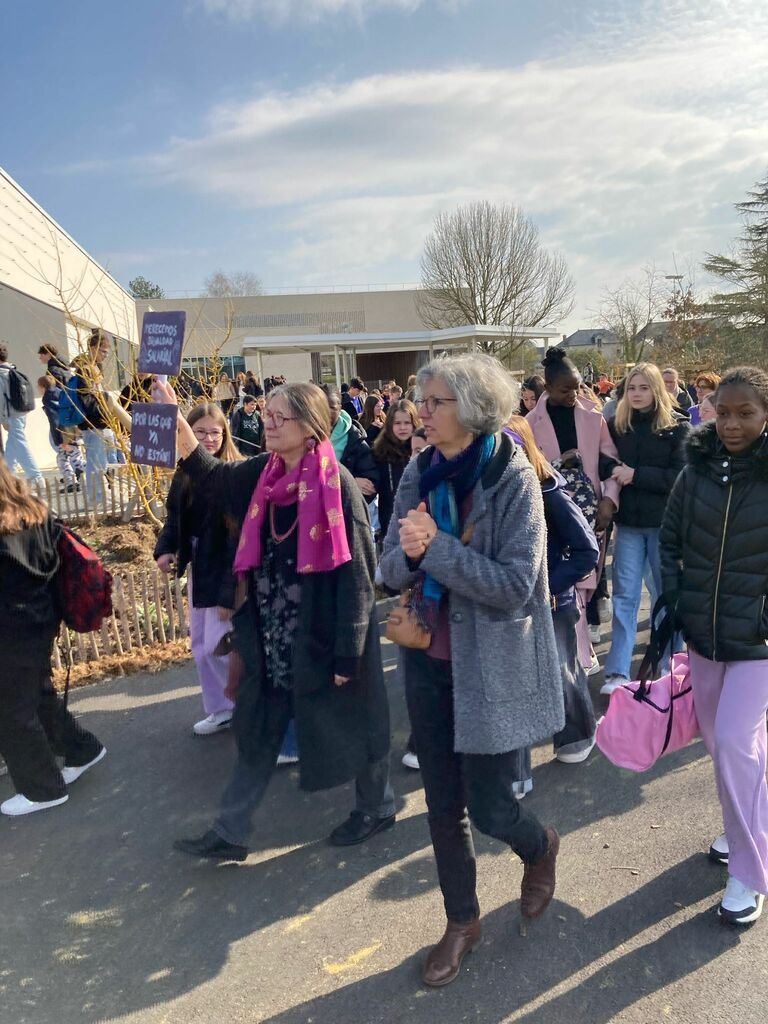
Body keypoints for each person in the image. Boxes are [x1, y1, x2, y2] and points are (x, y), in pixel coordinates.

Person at [150, 379, 395, 859]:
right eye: (267, 414)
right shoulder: (264, 473)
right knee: (259, 727)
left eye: (280, 417)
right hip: (271, 631)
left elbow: (359, 579)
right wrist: (177, 421)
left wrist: (349, 651)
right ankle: (231, 830)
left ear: (310, 427)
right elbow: (212, 476)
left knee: (356, 719)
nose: (269, 423)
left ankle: (378, 807)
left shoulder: (338, 486)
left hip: (322, 633)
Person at [380, 353, 564, 988]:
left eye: (436, 402)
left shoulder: (512, 477)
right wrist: (411, 556)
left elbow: (515, 585)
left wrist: (436, 549)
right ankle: (462, 921)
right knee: (441, 805)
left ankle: (539, 846)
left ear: (475, 408)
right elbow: (389, 566)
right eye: (421, 401)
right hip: (427, 660)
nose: (422, 413)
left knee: (490, 808)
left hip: (491, 668)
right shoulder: (419, 470)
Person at [660, 367, 768, 926]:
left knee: (733, 739)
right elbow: (669, 541)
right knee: (723, 745)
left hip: (759, 643)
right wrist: (678, 602)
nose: (731, 424)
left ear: (765, 415)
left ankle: (750, 871)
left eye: (745, 413)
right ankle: (743, 824)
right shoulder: (695, 471)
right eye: (723, 412)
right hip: (702, 635)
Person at [0, 460, 106, 816]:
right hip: (40, 619)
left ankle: (42, 789)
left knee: (12, 711)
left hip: (10, 629)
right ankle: (81, 749)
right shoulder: (32, 509)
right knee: (37, 695)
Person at [505, 416, 600, 797]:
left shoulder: (549, 490)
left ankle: (577, 733)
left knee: (562, 672)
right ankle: (515, 770)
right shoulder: (487, 494)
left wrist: (547, 586)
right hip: (508, 607)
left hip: (554, 604)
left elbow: (586, 550)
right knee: (512, 685)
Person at [526, 348, 621, 663]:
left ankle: (577, 656)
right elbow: (529, 470)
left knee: (586, 584)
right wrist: (557, 464)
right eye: (565, 390)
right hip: (552, 517)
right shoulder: (529, 424)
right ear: (548, 388)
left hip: (592, 514)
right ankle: (578, 657)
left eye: (577, 387)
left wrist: (609, 499)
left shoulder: (594, 417)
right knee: (571, 586)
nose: (573, 395)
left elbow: (609, 461)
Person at [601, 364, 689, 694]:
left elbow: (680, 476)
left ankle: (670, 663)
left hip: (665, 526)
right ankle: (617, 671)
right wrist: (615, 469)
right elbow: (603, 459)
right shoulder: (617, 426)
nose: (637, 394)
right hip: (629, 525)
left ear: (657, 389)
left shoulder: (677, 428)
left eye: (644, 387)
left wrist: (635, 475)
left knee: (665, 596)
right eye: (632, 388)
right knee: (625, 597)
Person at [155, 404, 243, 736]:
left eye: (214, 432)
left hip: (225, 571)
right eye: (200, 432)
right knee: (201, 646)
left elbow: (238, 541)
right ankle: (222, 708)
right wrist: (166, 548)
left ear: (225, 434)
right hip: (199, 570)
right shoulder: (184, 474)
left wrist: (229, 593)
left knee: (220, 645)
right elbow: (174, 518)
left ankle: (241, 703)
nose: (207, 439)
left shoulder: (232, 475)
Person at [71, 330, 131, 504]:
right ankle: (96, 500)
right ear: (92, 348)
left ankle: (100, 498)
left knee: (101, 463)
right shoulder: (84, 370)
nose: (105, 355)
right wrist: (106, 404)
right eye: (103, 351)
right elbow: (88, 401)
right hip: (93, 424)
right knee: (95, 464)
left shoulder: (94, 368)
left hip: (101, 424)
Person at [372, 399, 421, 541]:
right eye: (397, 423)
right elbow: (372, 479)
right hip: (390, 520)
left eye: (407, 423)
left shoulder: (423, 449)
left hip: (418, 518)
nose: (402, 428)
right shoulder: (380, 452)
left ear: (414, 423)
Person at [322, 384, 379, 502]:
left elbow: (370, 484)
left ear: (340, 407)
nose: (326, 412)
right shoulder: (302, 438)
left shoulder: (355, 439)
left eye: (331, 407)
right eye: (321, 407)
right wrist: (350, 482)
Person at [0, 343, 44, 486]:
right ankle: (8, 477)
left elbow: (1, 399)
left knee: (19, 443)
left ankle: (36, 477)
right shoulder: (12, 369)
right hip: (21, 412)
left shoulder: (1, 375)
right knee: (13, 445)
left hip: (11, 415)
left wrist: (2, 419)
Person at [37, 376, 83, 491]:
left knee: (75, 459)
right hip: (72, 428)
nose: (38, 389)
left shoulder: (48, 399)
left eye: (38, 387)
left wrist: (59, 440)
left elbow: (55, 420)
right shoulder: (61, 393)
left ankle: (102, 470)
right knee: (63, 459)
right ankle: (71, 482)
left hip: (64, 434)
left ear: (43, 387)